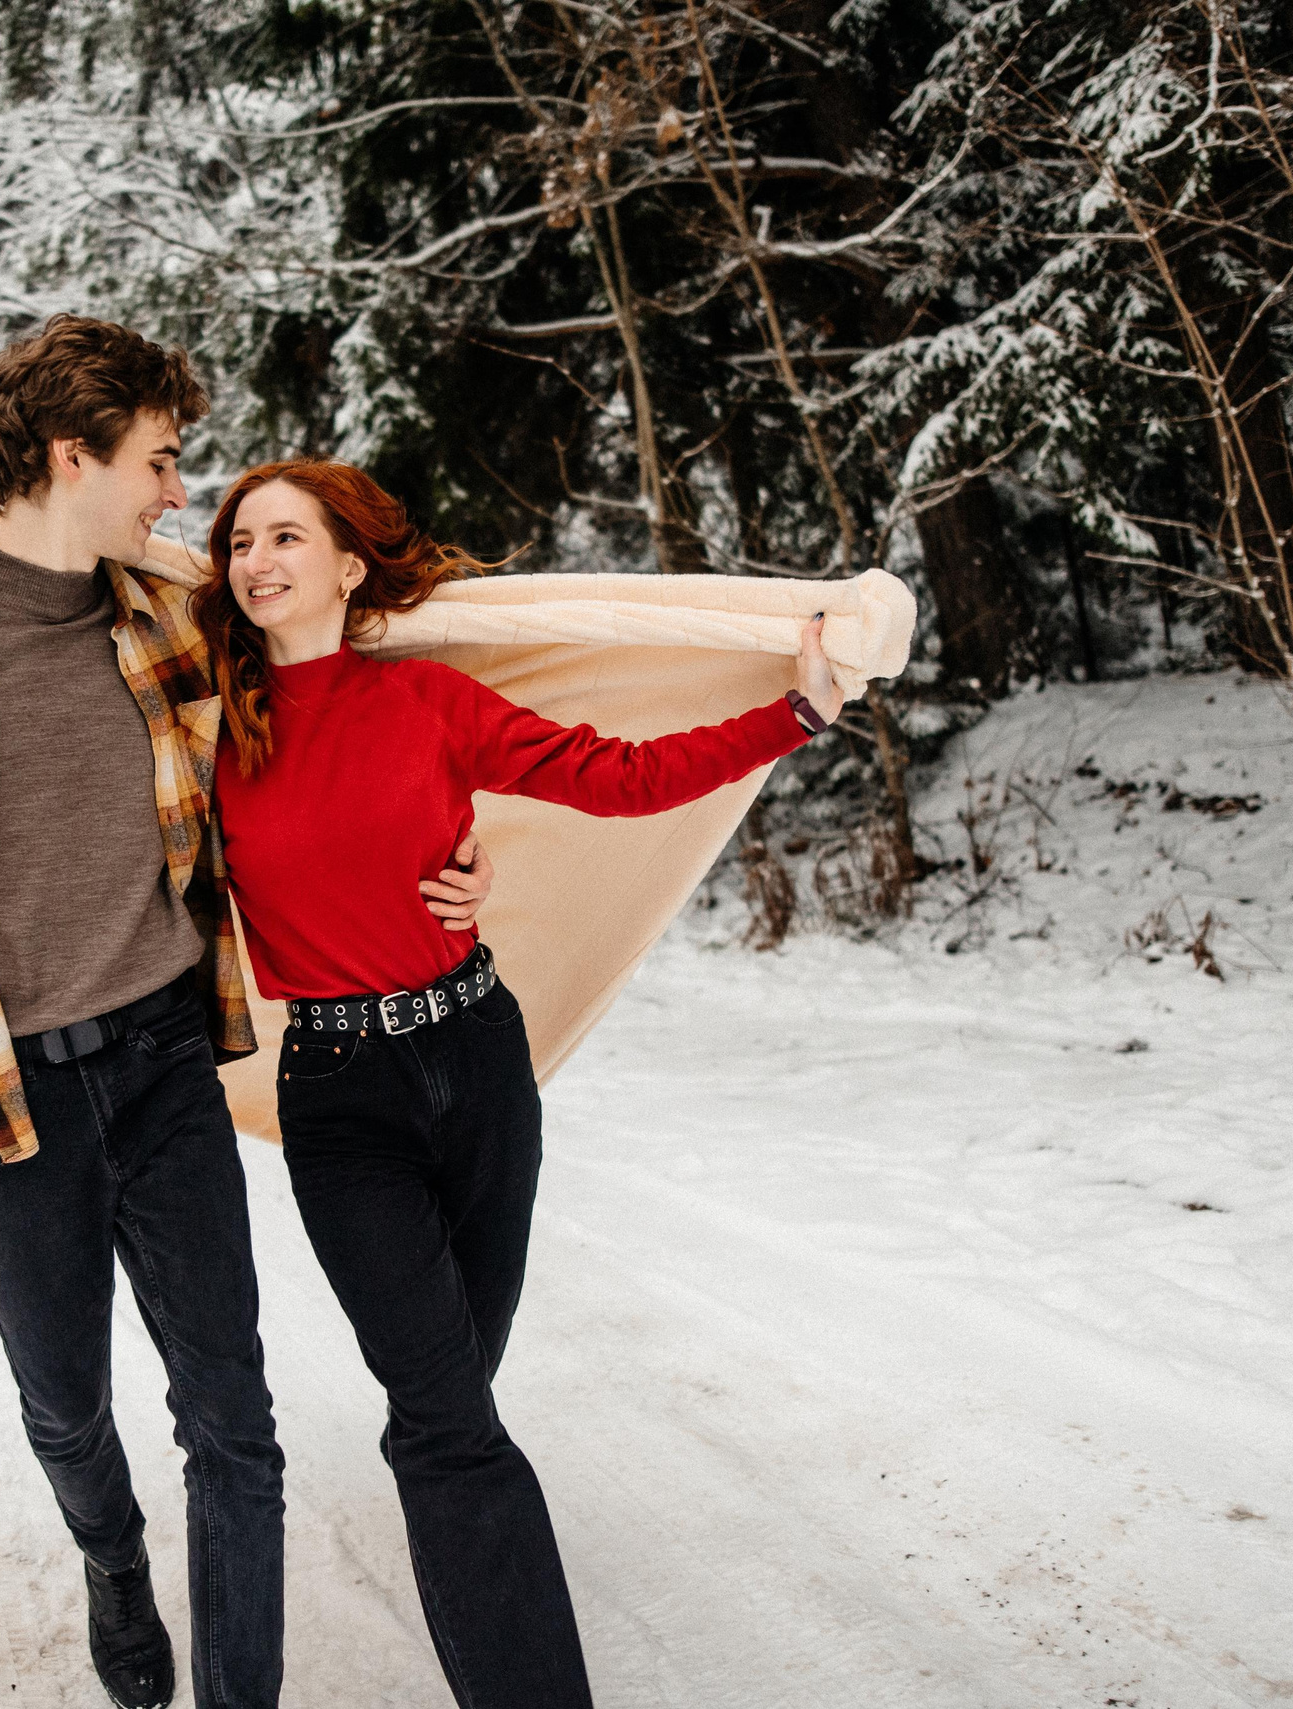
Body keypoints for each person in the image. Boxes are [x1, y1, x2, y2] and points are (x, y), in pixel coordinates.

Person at [0, 321, 492, 1709]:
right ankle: (111, 1559)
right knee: (66, 1407)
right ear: (71, 454)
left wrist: (457, 832)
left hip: (164, 1063)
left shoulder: (171, 618)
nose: (177, 493)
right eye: (158, 461)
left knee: (236, 1419)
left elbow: (355, 689)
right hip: (4, 1094)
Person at [187, 459, 840, 1709]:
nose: (255, 559)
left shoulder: (430, 699)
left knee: (451, 1394)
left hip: (480, 1063)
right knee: (445, 1422)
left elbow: (620, 778)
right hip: (339, 1097)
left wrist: (793, 716)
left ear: (348, 563)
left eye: (284, 536)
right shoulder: (215, 734)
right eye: (237, 542)